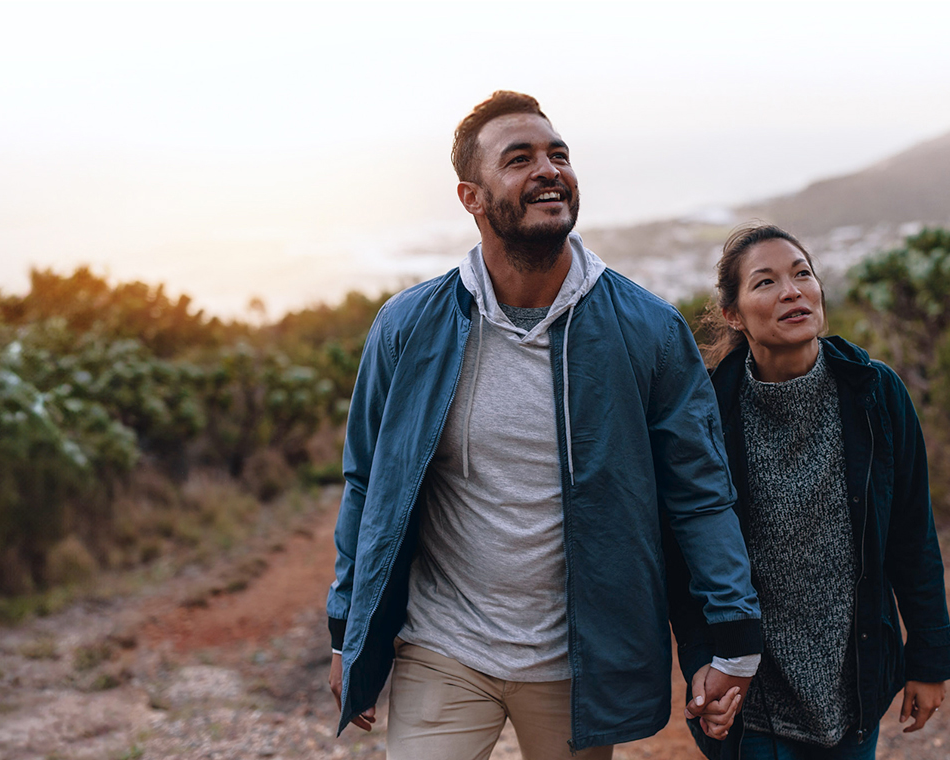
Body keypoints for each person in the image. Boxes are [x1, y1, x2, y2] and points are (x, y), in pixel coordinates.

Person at [324, 91, 765, 759]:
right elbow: (367, 483)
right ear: (472, 197)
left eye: (559, 154)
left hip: (577, 663)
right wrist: (345, 631)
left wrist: (732, 634)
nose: (549, 169)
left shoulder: (646, 331)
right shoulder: (408, 328)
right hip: (443, 648)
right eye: (520, 158)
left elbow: (700, 495)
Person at [665, 223, 950, 760]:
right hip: (751, 695)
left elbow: (913, 536)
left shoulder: (876, 394)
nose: (792, 291)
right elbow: (684, 560)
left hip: (854, 690)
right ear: (733, 313)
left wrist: (930, 659)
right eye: (766, 282)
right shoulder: (708, 413)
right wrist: (703, 660)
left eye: (802, 274)